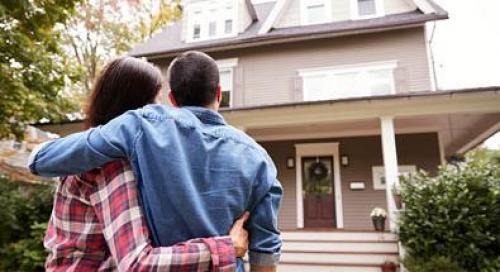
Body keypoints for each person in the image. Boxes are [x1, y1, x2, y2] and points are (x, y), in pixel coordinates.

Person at [29, 51, 282, 272]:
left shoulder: (139, 129)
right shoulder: (259, 159)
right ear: (219, 93)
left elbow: (41, 161)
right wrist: (228, 248)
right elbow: (265, 247)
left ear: (172, 99)